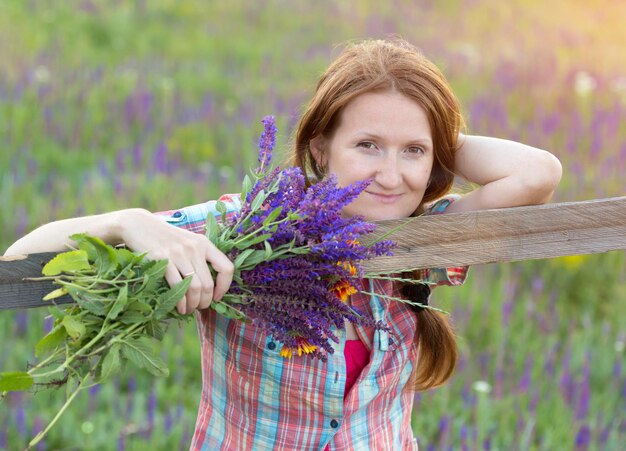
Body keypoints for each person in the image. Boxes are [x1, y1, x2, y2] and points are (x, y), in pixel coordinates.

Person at [4, 39, 562, 450]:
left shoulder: (425, 238)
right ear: (320, 149)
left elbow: (536, 173)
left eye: (413, 152)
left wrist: (426, 128)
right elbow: (19, 262)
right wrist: (130, 223)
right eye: (367, 144)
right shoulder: (247, 231)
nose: (391, 176)